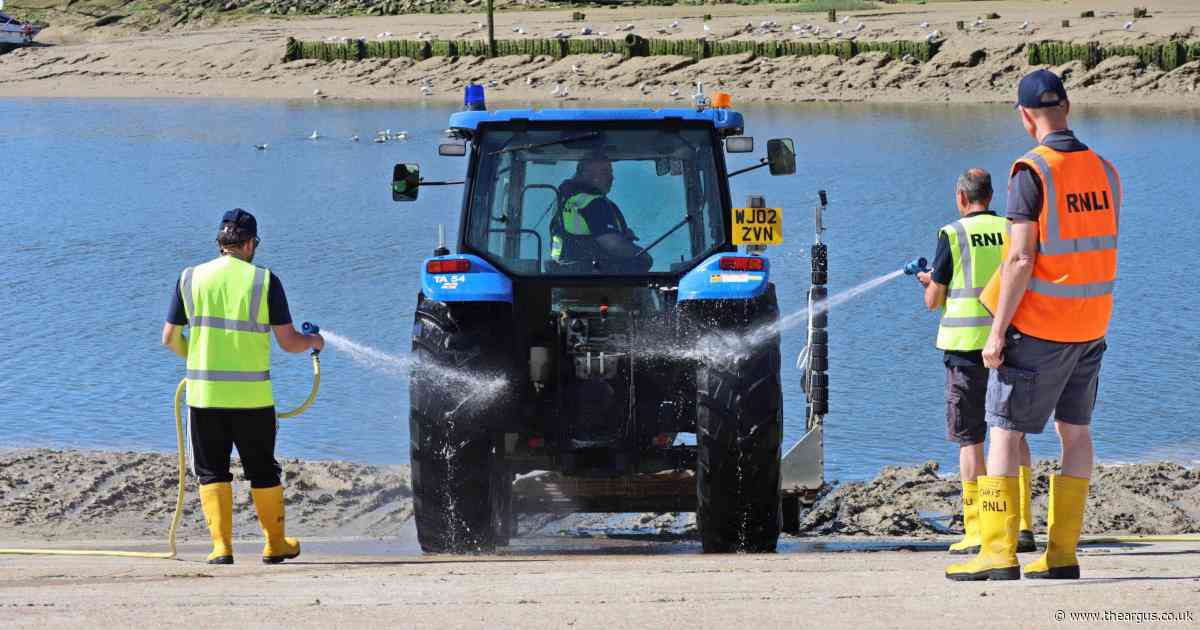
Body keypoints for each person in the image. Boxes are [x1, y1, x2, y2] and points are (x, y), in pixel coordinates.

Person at [946, 70, 1120, 581]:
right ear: (1068, 106)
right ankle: (1062, 554)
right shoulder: (1106, 171)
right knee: (1077, 433)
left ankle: (998, 553)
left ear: (1025, 117)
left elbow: (1020, 258)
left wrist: (997, 329)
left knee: (1002, 428)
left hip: (1041, 325)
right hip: (1092, 324)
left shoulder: (1031, 171)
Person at [161, 208, 324, 565]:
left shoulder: (190, 278)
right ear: (250, 244)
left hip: (204, 397)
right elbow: (289, 342)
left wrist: (198, 361)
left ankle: (221, 547)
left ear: (221, 242)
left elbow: (170, 338)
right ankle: (275, 543)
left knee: (211, 470)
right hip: (252, 400)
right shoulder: (264, 281)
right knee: (263, 470)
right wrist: (314, 343)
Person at [917, 169, 1036, 557]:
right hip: (1011, 344)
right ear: (989, 195)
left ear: (961, 198)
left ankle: (977, 529)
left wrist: (929, 282)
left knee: (971, 439)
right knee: (1013, 434)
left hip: (965, 348)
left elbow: (934, 300)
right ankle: (1021, 526)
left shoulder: (952, 234)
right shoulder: (1011, 227)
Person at [550, 155, 652, 271]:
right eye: (605, 172)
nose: (611, 178)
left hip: (566, 275)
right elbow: (613, 245)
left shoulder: (565, 200)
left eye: (610, 172)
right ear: (585, 174)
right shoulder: (593, 202)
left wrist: (621, 235)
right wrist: (643, 256)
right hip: (597, 279)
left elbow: (578, 234)